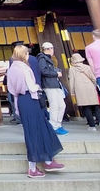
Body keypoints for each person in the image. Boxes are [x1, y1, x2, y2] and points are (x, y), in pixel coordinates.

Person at [7, 45, 64, 178]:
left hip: (22, 100)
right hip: (30, 98)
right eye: (26, 54)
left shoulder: (12, 68)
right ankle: (33, 167)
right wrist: (38, 87)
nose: (28, 56)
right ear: (23, 54)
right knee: (36, 130)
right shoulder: (23, 68)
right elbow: (31, 86)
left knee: (38, 129)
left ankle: (47, 160)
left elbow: (12, 89)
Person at [68, 53, 100, 131]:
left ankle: (92, 125)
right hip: (90, 87)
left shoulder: (72, 69)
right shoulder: (87, 67)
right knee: (95, 106)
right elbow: (94, 78)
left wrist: (72, 91)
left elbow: (71, 81)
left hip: (80, 89)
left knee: (86, 107)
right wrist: (93, 85)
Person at [37, 42, 68, 135]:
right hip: (49, 84)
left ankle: (58, 124)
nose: (52, 50)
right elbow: (43, 71)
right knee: (54, 105)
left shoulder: (47, 58)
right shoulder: (42, 58)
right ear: (48, 49)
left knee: (62, 105)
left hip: (55, 84)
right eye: (51, 48)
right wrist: (55, 73)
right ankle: (54, 126)